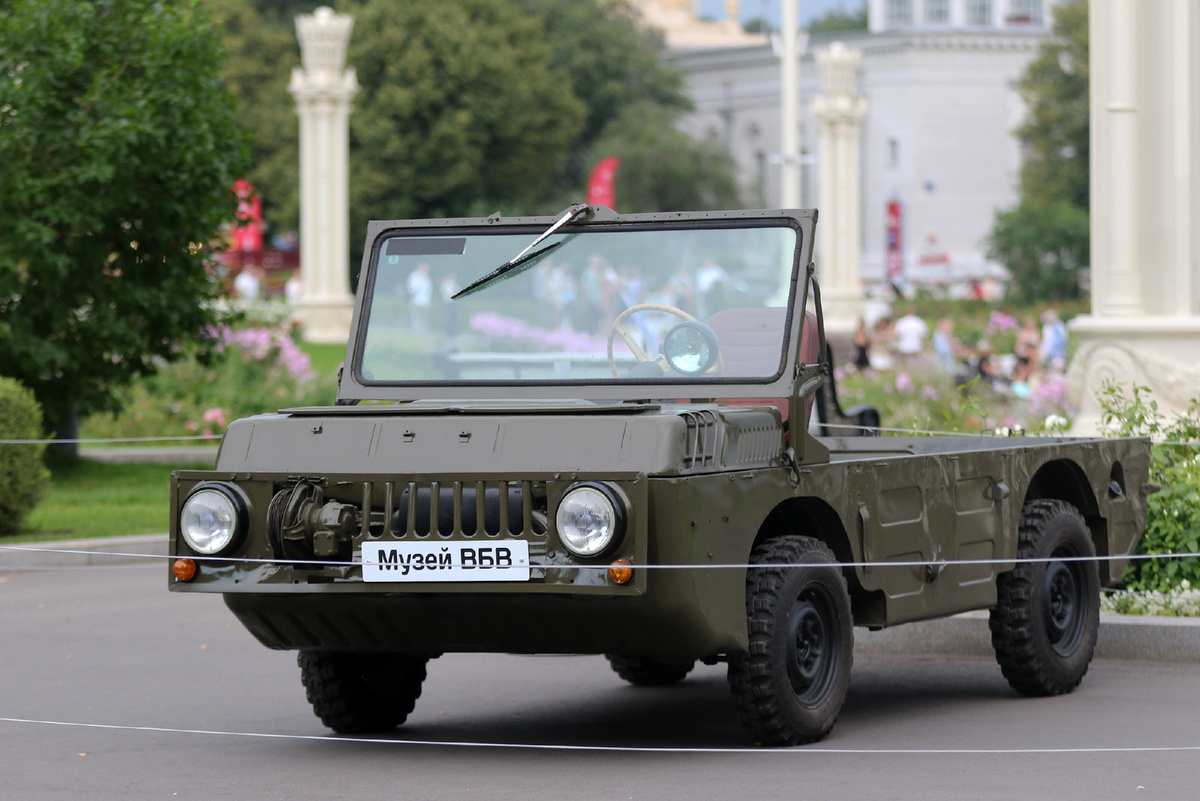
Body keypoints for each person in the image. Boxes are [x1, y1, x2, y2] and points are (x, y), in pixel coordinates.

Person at [407, 263, 432, 332]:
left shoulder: (427, 278)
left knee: (424, 319)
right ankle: (416, 332)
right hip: (416, 302)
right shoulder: (414, 276)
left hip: (425, 303)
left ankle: (422, 332)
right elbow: (411, 289)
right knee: (416, 319)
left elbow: (428, 290)